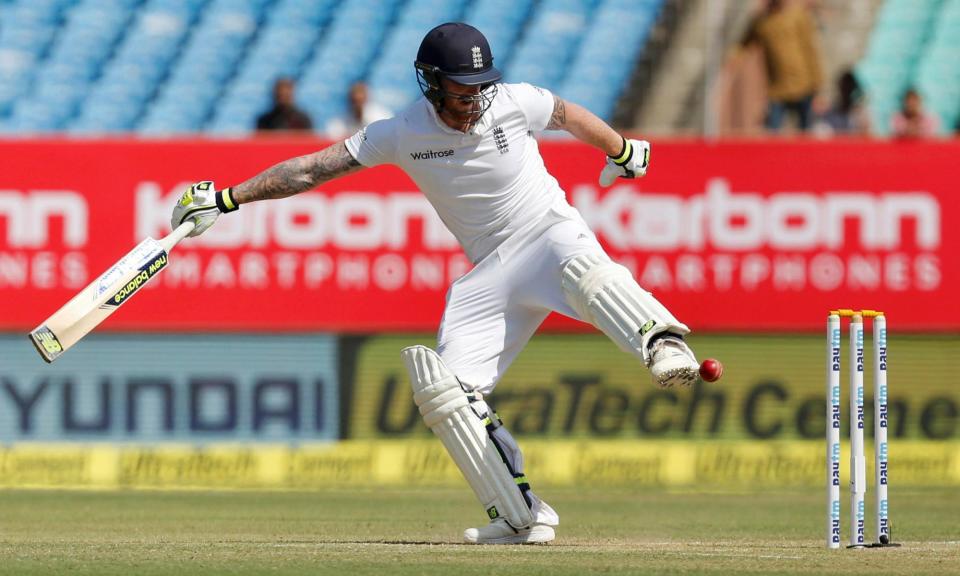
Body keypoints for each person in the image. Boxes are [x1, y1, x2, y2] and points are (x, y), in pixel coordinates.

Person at [172, 23, 711, 545]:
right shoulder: (402, 131)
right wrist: (226, 198)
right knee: (446, 391)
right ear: (430, 83)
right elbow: (314, 169)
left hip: (546, 231)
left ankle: (661, 342)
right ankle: (522, 515)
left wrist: (620, 150)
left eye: (481, 88)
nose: (474, 101)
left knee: (583, 266)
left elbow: (568, 114)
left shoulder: (515, 101)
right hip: (489, 272)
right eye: (460, 91)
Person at [742, 0, 823, 133]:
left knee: (805, 133)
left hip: (803, 85)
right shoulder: (761, 22)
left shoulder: (798, 17)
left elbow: (810, 50)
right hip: (777, 89)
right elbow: (744, 45)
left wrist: (817, 85)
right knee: (773, 132)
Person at [324, 81, 392, 138]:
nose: (357, 104)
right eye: (354, 101)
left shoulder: (381, 116)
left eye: (360, 101)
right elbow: (333, 135)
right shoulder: (342, 118)